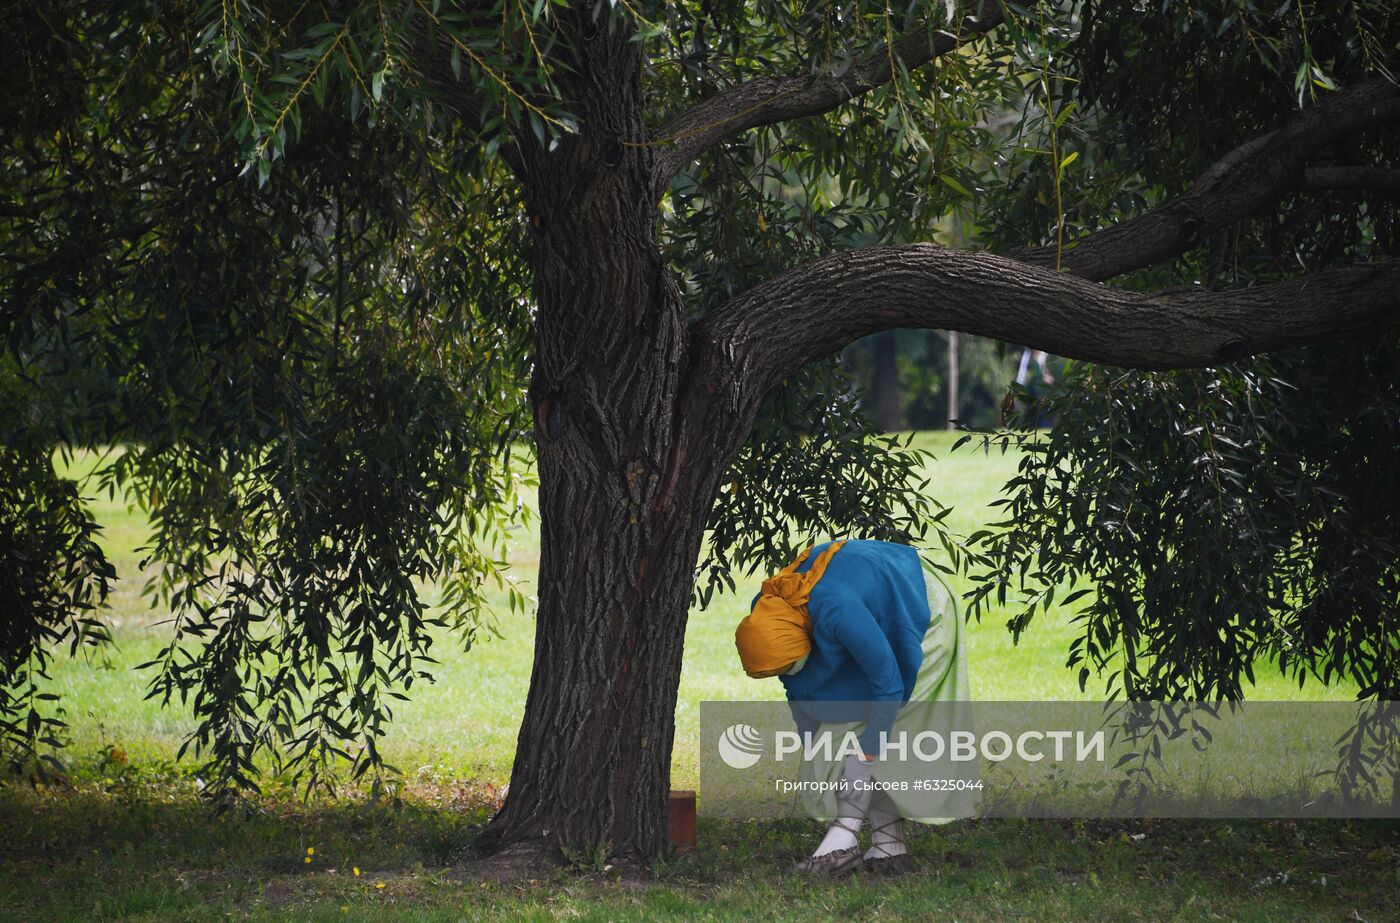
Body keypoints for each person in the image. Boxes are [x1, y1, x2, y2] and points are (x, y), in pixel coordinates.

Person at [734, 538, 972, 876]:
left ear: (805, 641)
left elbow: (889, 684)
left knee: (880, 727)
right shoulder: (769, 613)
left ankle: (843, 840)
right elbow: (795, 688)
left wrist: (867, 755)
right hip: (864, 603)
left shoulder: (836, 610)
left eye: (788, 667)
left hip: (918, 604)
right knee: (849, 732)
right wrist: (812, 741)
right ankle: (890, 848)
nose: (785, 676)